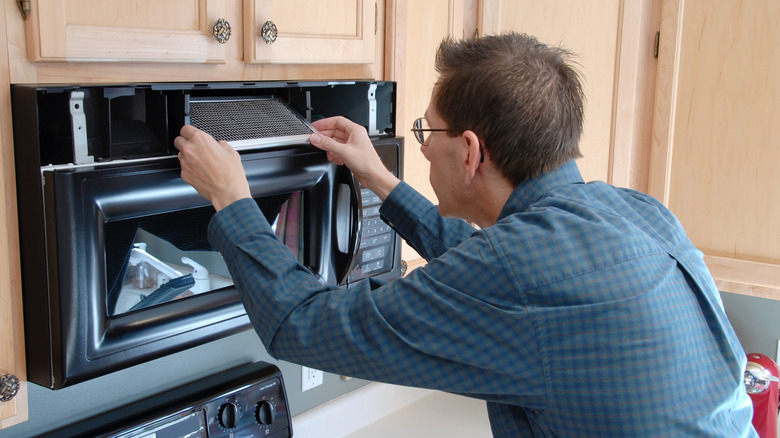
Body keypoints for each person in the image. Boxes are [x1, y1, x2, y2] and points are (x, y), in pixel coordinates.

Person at [174, 32, 756, 437]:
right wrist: (378, 177)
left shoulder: (517, 269)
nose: (421, 144)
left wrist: (233, 200)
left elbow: (304, 325)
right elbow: (499, 271)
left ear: (472, 150)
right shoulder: (637, 212)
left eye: (428, 130)